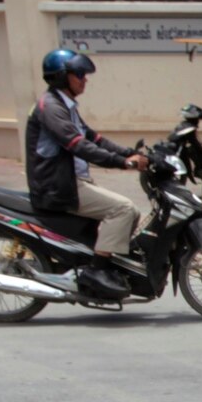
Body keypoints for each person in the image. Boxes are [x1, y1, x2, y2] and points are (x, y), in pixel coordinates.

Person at [26, 49, 150, 297]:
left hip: (72, 181)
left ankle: (107, 262)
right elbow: (79, 145)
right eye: (80, 74)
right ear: (63, 77)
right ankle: (97, 271)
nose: (85, 79)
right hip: (59, 186)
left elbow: (94, 138)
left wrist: (129, 153)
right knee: (123, 209)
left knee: (132, 212)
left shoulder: (64, 105)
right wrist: (123, 163)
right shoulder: (51, 107)